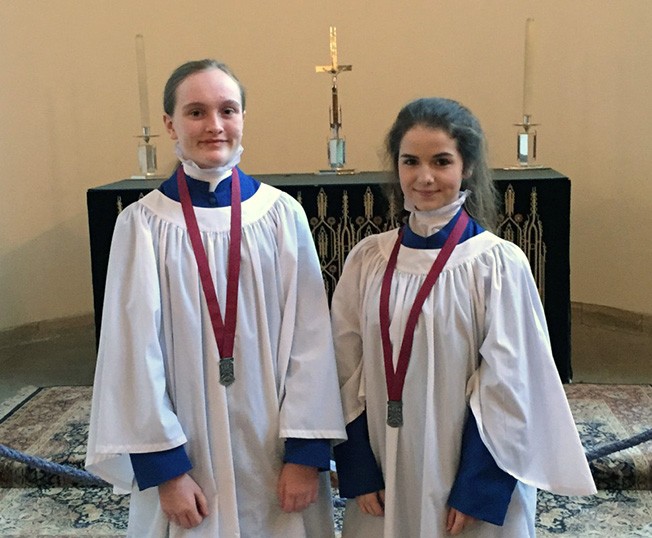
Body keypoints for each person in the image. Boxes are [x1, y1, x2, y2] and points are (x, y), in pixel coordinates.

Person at [86, 59, 346, 537]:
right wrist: (165, 472)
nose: (214, 125)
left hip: (274, 450)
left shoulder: (281, 217)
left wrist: (306, 456)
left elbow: (311, 342)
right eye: (196, 112)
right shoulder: (143, 226)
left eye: (228, 110)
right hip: (188, 456)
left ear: (244, 117)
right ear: (170, 124)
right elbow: (131, 354)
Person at [331, 97, 596, 537]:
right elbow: (342, 367)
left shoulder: (495, 265)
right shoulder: (368, 261)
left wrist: (478, 487)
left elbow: (511, 384)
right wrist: (358, 467)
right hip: (384, 463)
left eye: (441, 161)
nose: (424, 177)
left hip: (464, 471)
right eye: (410, 161)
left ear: (467, 166)